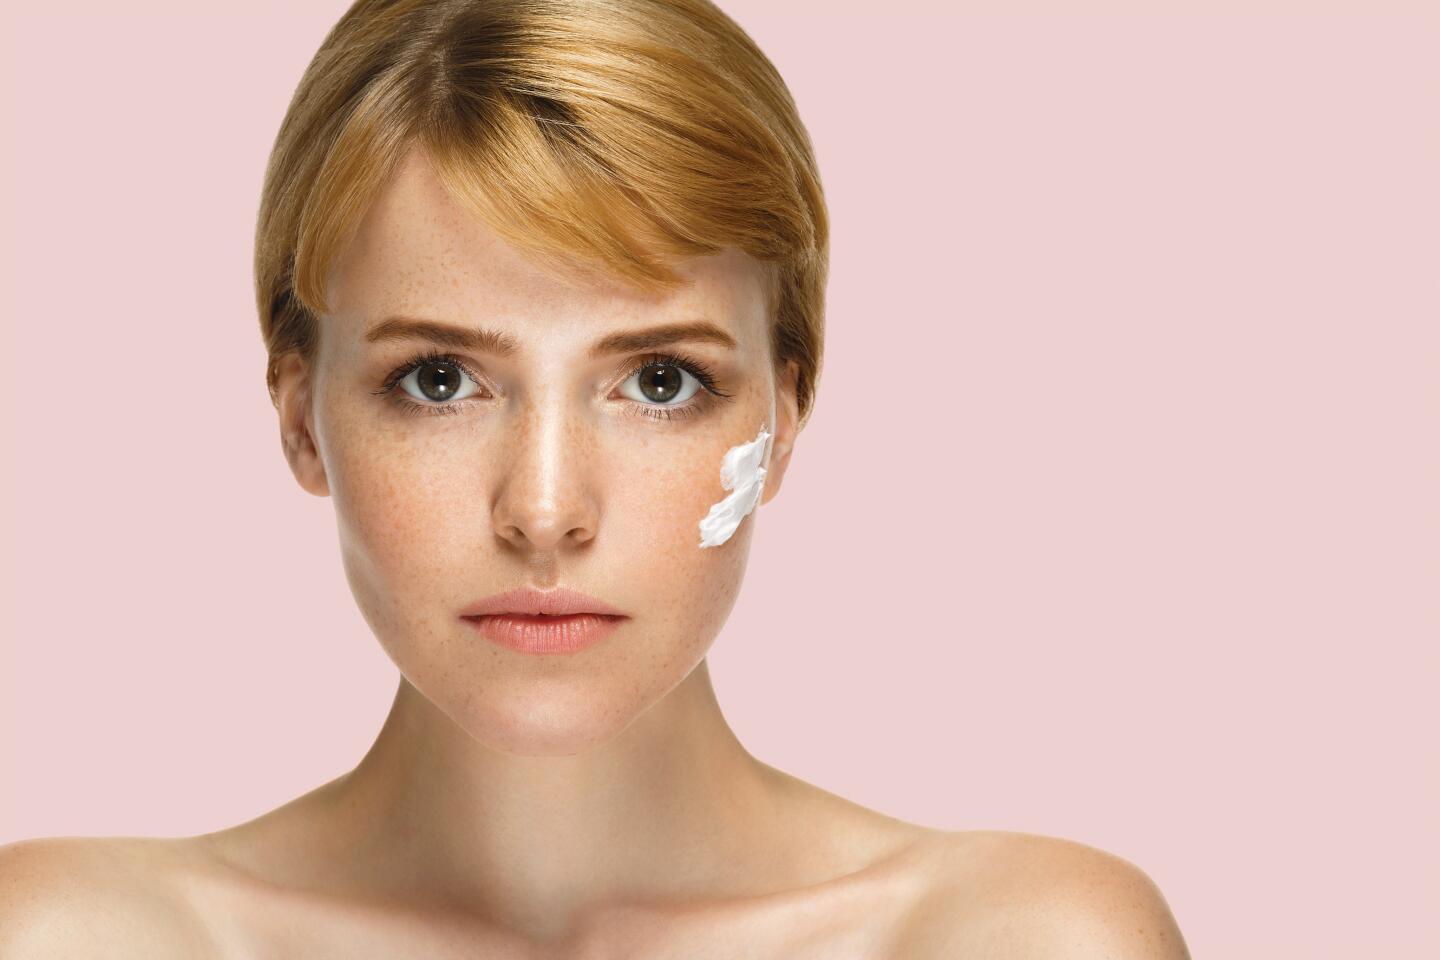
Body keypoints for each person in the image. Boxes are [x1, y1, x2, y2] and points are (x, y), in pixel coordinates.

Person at [0, 1, 1189, 956]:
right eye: (439, 381)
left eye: (661, 380)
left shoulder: (1021, 939)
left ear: (784, 418)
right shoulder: (75, 939)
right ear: (299, 418)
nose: (545, 511)